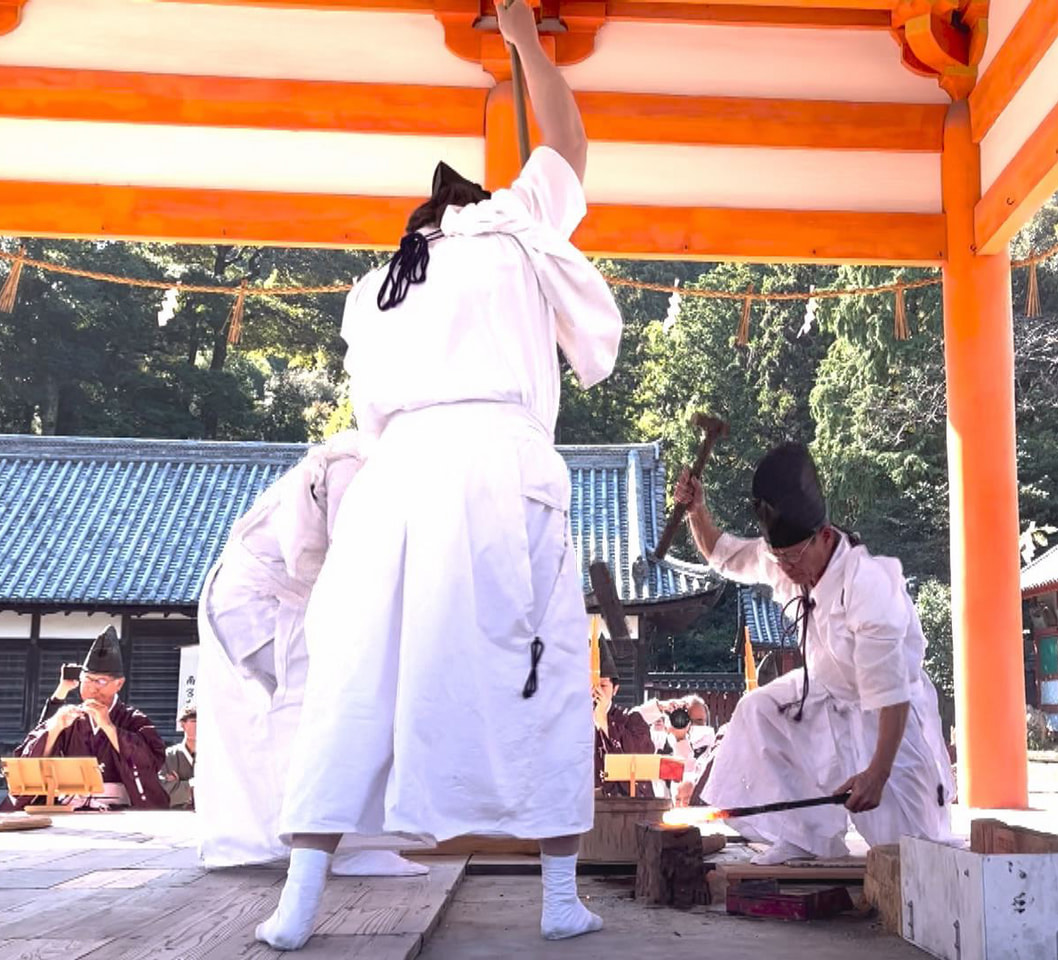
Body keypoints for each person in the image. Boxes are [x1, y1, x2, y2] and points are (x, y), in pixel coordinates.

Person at [255, 0, 623, 948]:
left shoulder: (379, 286)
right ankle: (556, 897)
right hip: (498, 466)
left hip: (397, 475)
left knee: (356, 673)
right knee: (533, 663)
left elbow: (367, 414)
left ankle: (296, 905)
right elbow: (570, 136)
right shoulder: (512, 227)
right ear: (476, 203)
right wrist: (522, 38)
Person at [674, 442, 954, 865]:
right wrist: (697, 510)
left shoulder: (869, 585)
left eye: (793, 557)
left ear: (825, 536)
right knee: (758, 709)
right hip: (824, 694)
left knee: (914, 854)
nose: (785, 568)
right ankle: (807, 838)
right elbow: (721, 554)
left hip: (887, 715)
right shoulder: (783, 556)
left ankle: (911, 818)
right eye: (778, 557)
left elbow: (892, 693)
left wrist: (876, 774)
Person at [197, 432, 421, 878]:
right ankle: (349, 846)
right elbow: (342, 561)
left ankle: (290, 842)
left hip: (259, 599)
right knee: (329, 716)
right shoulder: (352, 462)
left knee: (285, 724)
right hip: (271, 604)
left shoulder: (372, 461)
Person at [5, 627, 168, 810]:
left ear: (119, 683)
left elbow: (149, 765)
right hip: (68, 807)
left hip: (119, 811)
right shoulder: (69, 718)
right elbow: (31, 762)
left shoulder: (134, 720)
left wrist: (109, 728)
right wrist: (55, 728)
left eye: (100, 682)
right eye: (87, 680)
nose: (92, 688)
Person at [593, 646, 657, 798]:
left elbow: (640, 757)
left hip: (622, 806)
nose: (596, 692)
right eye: (591, 685)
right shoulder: (572, 722)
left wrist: (603, 721)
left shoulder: (631, 720)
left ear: (615, 689)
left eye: (602, 685)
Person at [162, 706, 197, 809]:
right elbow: (163, 791)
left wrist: (179, 784)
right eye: (194, 721)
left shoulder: (213, 756)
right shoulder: (169, 755)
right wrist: (192, 785)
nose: (198, 725)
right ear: (183, 724)